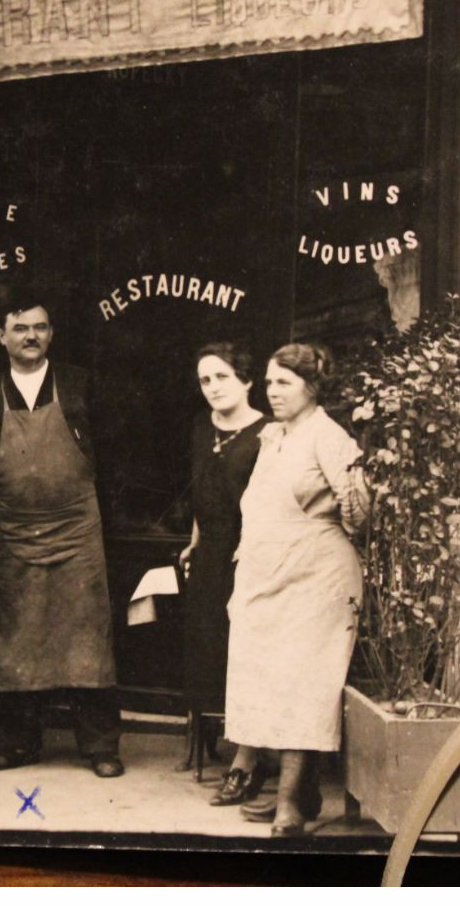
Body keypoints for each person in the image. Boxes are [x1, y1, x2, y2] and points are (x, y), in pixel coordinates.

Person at [0, 291, 124, 779]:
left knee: (88, 636)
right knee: (11, 639)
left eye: (39, 327)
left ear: (51, 333)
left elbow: (115, 456)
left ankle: (100, 746)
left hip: (76, 528)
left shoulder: (82, 385)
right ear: (2, 337)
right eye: (20, 328)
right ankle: (18, 743)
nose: (31, 336)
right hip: (7, 531)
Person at [222, 342, 368, 836]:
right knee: (263, 678)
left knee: (301, 683)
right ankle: (297, 791)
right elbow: (259, 509)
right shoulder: (273, 436)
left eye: (284, 382)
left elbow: (361, 514)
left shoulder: (329, 437)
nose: (273, 392)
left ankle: (289, 804)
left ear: (312, 387)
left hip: (317, 577)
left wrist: (348, 496)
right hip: (268, 574)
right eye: (268, 383)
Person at [176, 342, 270, 799]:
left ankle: (247, 754)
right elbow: (200, 489)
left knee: (246, 651)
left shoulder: (268, 432)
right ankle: (204, 740)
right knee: (204, 644)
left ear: (247, 381)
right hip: (211, 550)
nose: (212, 387)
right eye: (205, 380)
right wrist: (195, 539)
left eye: (222, 377)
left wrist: (251, 547)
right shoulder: (198, 427)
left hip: (249, 553)